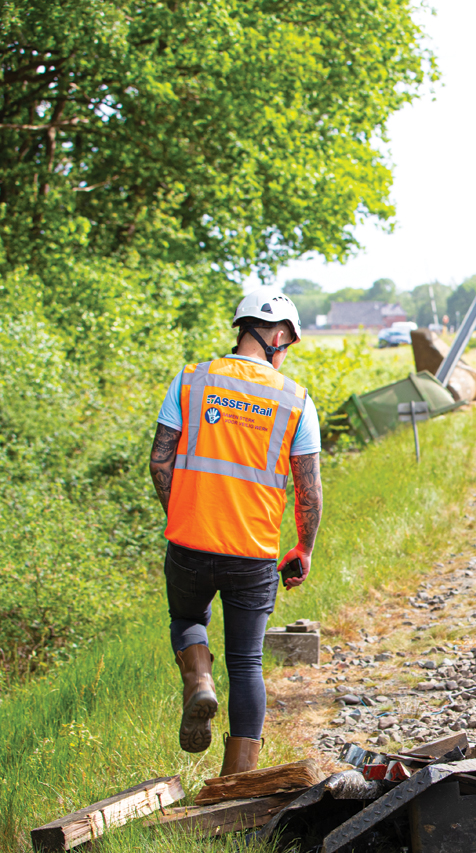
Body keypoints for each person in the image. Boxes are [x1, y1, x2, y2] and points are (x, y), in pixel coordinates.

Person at [149, 287, 323, 777]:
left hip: (189, 540)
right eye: (287, 344)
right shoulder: (295, 400)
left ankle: (199, 680)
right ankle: (239, 780)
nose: (286, 354)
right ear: (277, 336)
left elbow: (159, 461)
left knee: (186, 618)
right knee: (246, 662)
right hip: (253, 552)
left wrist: (183, 510)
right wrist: (303, 547)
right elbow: (309, 490)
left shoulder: (191, 380)